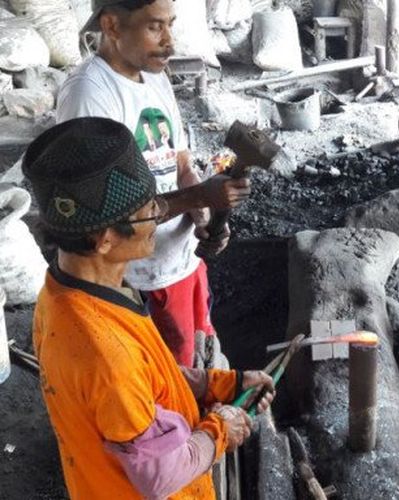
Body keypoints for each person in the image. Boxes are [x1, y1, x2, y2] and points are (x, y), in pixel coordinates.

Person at [24, 117, 274, 499]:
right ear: (106, 238)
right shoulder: (104, 352)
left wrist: (215, 384)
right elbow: (159, 476)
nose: (159, 214)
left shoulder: (66, 288)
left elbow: (141, 380)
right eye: (149, 210)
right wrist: (220, 428)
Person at [56, 0, 249, 367]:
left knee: (199, 361)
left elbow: (178, 161)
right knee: (165, 383)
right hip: (136, 281)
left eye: (170, 25)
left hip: (181, 264)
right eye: (155, 27)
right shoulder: (89, 95)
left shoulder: (156, 78)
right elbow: (105, 215)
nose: (170, 42)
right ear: (112, 26)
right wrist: (199, 194)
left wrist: (202, 217)